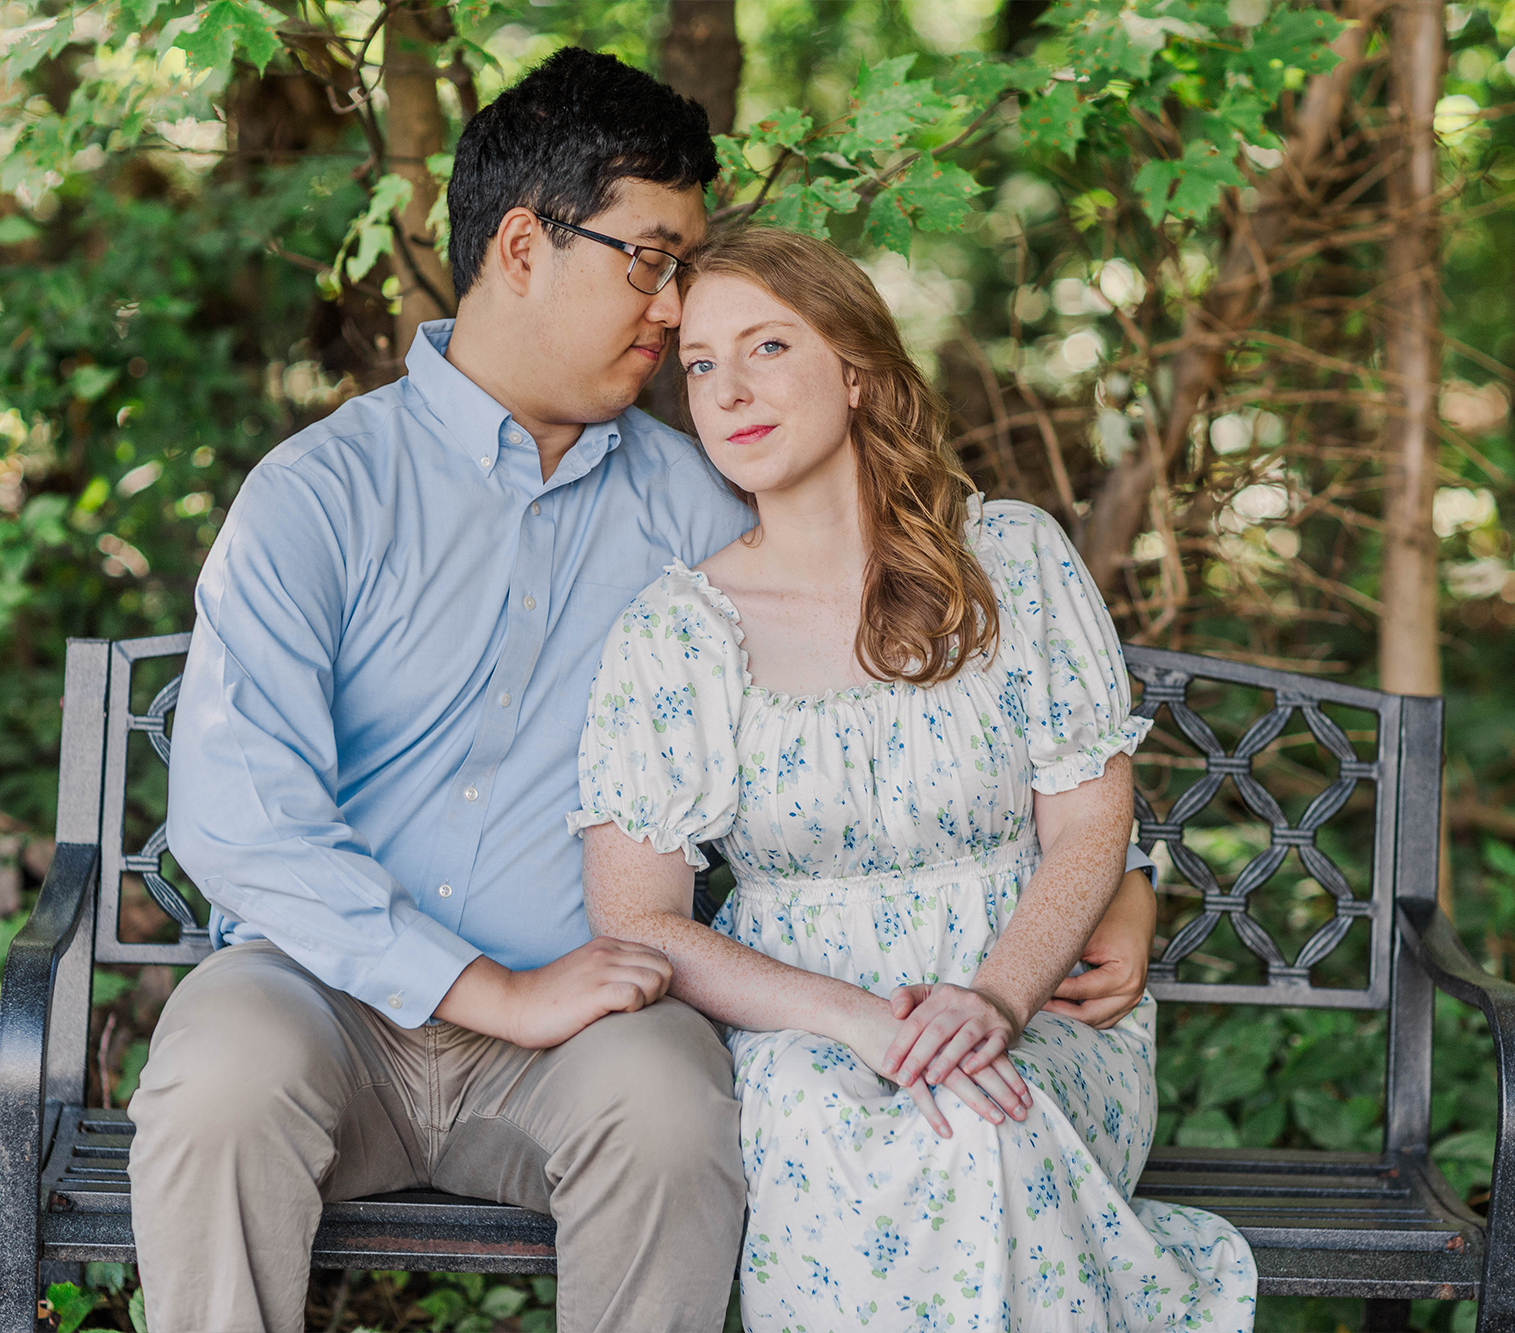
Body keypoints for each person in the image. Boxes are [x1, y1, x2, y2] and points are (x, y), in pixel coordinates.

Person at [128, 47, 1162, 1333]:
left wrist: (1116, 883)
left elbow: (917, 671)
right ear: (521, 245)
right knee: (218, 1071)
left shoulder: (699, 500)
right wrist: (489, 992)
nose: (676, 316)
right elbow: (239, 823)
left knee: (675, 1109)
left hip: (595, 1016)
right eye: (651, 260)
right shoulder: (319, 496)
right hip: (325, 1002)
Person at [574, 227, 1257, 1331]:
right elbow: (638, 920)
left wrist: (992, 1000)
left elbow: (1089, 826)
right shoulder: (678, 631)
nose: (729, 389)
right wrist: (861, 1023)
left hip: (1028, 1001)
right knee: (883, 1134)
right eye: (698, 364)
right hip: (797, 1031)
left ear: (854, 371)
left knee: (982, 1119)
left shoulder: (1013, 560)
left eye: (767, 347)